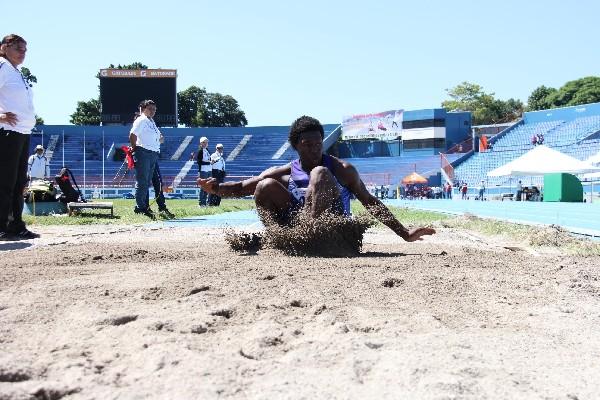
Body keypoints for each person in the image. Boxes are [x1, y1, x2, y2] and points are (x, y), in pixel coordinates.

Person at [197, 115, 435, 242]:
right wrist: (216, 188)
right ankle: (280, 240)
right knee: (264, 185)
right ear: (296, 146)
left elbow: (369, 201)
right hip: (297, 230)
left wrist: (404, 233)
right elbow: (242, 187)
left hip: (335, 235)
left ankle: (311, 235)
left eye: (318, 143)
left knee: (319, 173)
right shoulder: (285, 171)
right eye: (307, 144)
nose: (314, 149)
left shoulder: (342, 169)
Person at [0, 34, 39, 241]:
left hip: (22, 133)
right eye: (18, 48)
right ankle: (1, 226)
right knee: (5, 181)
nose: (22, 53)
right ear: (5, 47)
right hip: (7, 133)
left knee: (18, 182)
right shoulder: (2, 66)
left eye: (25, 49)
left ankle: (16, 223)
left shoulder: (17, 72)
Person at [130, 99, 161, 219]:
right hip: (143, 152)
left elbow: (159, 137)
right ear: (143, 109)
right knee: (142, 181)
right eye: (150, 109)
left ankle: (143, 206)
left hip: (152, 153)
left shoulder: (151, 121)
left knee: (146, 182)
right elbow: (132, 135)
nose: (153, 111)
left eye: (154, 109)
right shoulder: (141, 120)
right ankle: (140, 207)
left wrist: (159, 138)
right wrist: (134, 149)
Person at [197, 136, 211, 206]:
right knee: (203, 187)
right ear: (201, 143)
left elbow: (208, 160)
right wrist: (209, 162)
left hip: (208, 170)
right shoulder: (200, 151)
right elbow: (199, 162)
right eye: (204, 142)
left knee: (207, 187)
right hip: (203, 171)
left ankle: (204, 203)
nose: (206, 143)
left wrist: (211, 162)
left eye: (206, 142)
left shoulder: (207, 150)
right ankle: (200, 203)